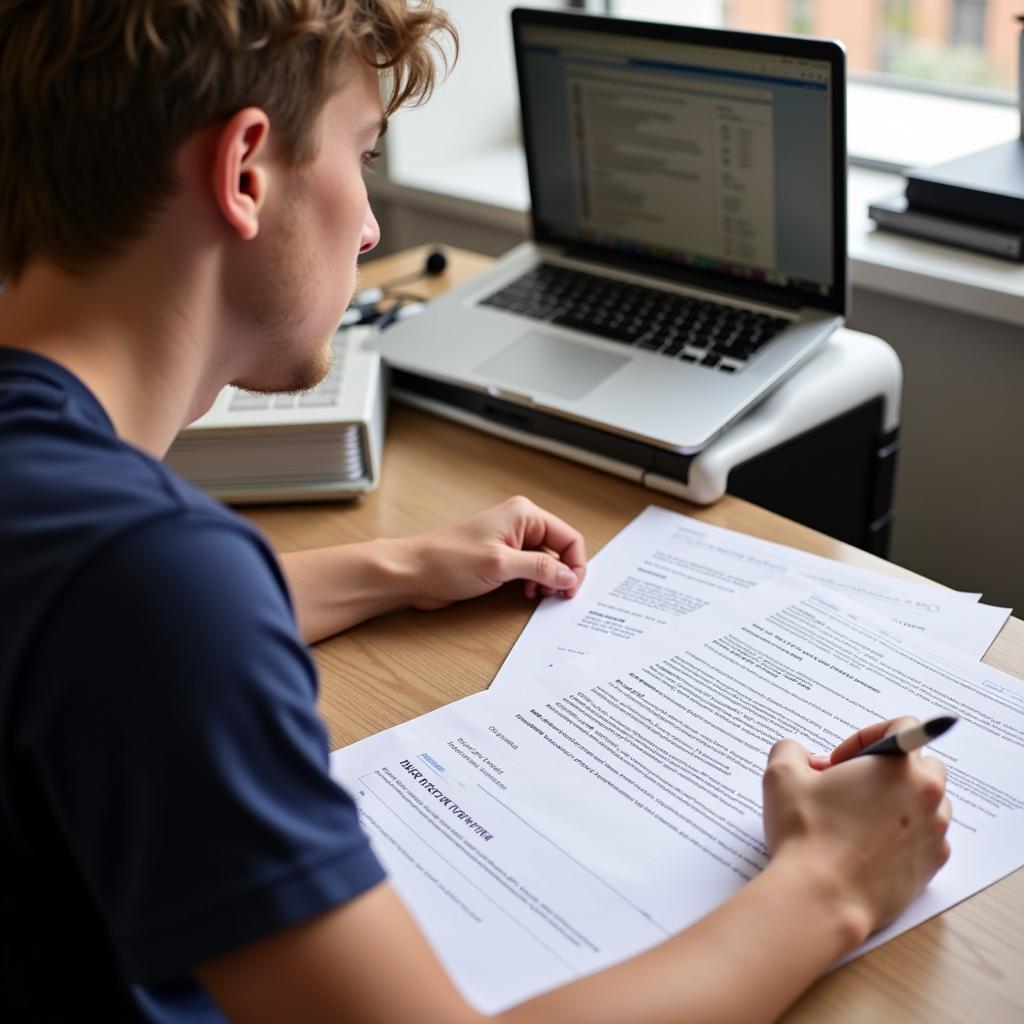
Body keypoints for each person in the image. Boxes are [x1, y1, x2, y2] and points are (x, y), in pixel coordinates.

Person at [0, 2, 951, 1022]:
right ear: (243, 171)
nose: (369, 227)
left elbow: (86, 609)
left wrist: (398, 567)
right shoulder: (152, 580)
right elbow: (150, 606)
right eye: (361, 152)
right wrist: (830, 883)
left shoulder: (71, 523)